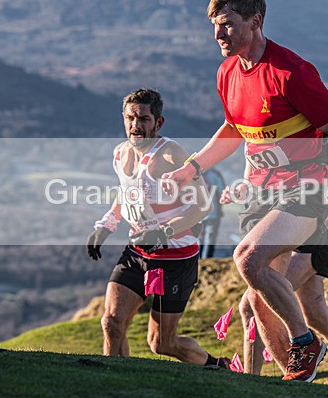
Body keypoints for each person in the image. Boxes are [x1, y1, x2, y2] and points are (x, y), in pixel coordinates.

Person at [162, 0, 328, 382]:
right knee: (257, 304)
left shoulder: (292, 72)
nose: (218, 34)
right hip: (261, 192)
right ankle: (295, 377)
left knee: (248, 258)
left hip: (306, 187)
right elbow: (233, 129)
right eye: (215, 26)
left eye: (227, 24)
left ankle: (306, 342)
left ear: (255, 21)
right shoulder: (227, 72)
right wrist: (191, 168)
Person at [86, 88, 228, 369]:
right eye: (130, 118)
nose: (135, 125)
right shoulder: (120, 153)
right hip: (138, 252)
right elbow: (127, 192)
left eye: (144, 119)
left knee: (162, 343)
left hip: (175, 257)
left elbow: (203, 207)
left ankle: (217, 365)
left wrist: (163, 232)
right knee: (112, 323)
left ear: (158, 123)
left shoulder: (171, 154)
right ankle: (114, 384)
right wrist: (107, 224)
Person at [221, 179, 328, 390]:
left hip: (310, 231)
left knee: (252, 304)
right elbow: (268, 173)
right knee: (316, 316)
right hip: (298, 224)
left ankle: (254, 382)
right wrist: (244, 188)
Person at [199, 167, 226, 258]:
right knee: (209, 240)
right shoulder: (215, 175)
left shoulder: (192, 174)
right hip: (213, 213)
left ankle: (198, 262)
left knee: (199, 240)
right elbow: (222, 192)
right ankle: (206, 261)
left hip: (196, 216)